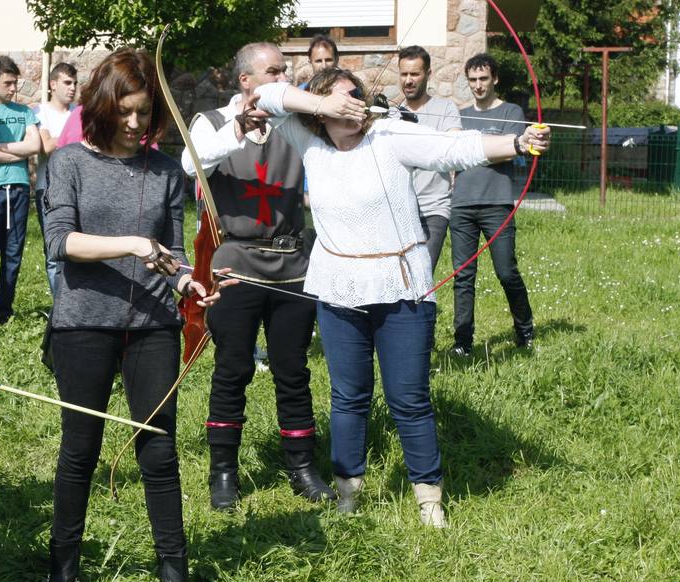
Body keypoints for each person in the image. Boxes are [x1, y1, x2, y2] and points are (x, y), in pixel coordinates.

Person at [242, 68, 548, 527]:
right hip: (340, 287)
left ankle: (429, 500)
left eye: (358, 98)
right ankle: (348, 492)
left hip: (400, 285)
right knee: (348, 397)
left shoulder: (387, 134)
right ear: (321, 112)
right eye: (344, 101)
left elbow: (453, 148)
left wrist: (518, 143)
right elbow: (263, 95)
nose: (356, 107)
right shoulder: (311, 144)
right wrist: (322, 104)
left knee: (409, 398)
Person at [41, 48, 226, 582]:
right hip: (82, 324)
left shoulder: (166, 172)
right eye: (124, 110)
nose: (134, 122)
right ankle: (63, 573)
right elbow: (61, 243)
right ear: (102, 104)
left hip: (152, 327)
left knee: (159, 449)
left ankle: (176, 575)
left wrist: (188, 285)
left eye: (144, 112)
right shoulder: (68, 162)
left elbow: (168, 254)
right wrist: (130, 244)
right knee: (80, 450)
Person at [181, 42, 333, 510]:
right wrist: (239, 129)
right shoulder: (210, 123)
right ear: (246, 80)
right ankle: (223, 472)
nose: (283, 79)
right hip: (236, 265)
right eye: (273, 72)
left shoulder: (296, 123)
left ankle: (302, 467)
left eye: (286, 71)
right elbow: (193, 164)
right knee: (233, 370)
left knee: (293, 371)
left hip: (291, 265)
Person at [450, 53, 536, 357]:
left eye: (483, 79)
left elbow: (510, 150)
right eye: (472, 80)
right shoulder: (457, 115)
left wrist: (475, 145)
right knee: (463, 276)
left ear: (494, 79)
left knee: (506, 272)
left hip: (496, 204)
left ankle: (525, 330)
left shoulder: (511, 111)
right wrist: (489, 143)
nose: (478, 85)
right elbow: (450, 151)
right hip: (460, 204)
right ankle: (462, 342)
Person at [0, 55, 40, 324]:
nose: (13, 89)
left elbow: (34, 146)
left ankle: (4, 311)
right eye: (8, 83)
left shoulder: (25, 112)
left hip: (19, 189)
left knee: (13, 252)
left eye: (15, 83)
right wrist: (18, 152)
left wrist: (2, 149)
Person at [395, 45, 461, 271]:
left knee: (423, 273)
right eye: (404, 74)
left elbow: (453, 147)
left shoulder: (444, 109)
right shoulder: (392, 115)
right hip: (398, 210)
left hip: (434, 208)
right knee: (399, 277)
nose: (408, 80)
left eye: (415, 74)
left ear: (428, 74)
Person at [34, 61, 77, 295]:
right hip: (47, 188)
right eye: (67, 82)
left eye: (74, 83)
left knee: (76, 247)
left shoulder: (79, 112)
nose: (72, 88)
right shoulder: (40, 113)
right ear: (52, 84)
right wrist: (75, 138)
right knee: (54, 251)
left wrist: (61, 139)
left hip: (79, 189)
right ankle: (59, 305)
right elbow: (46, 147)